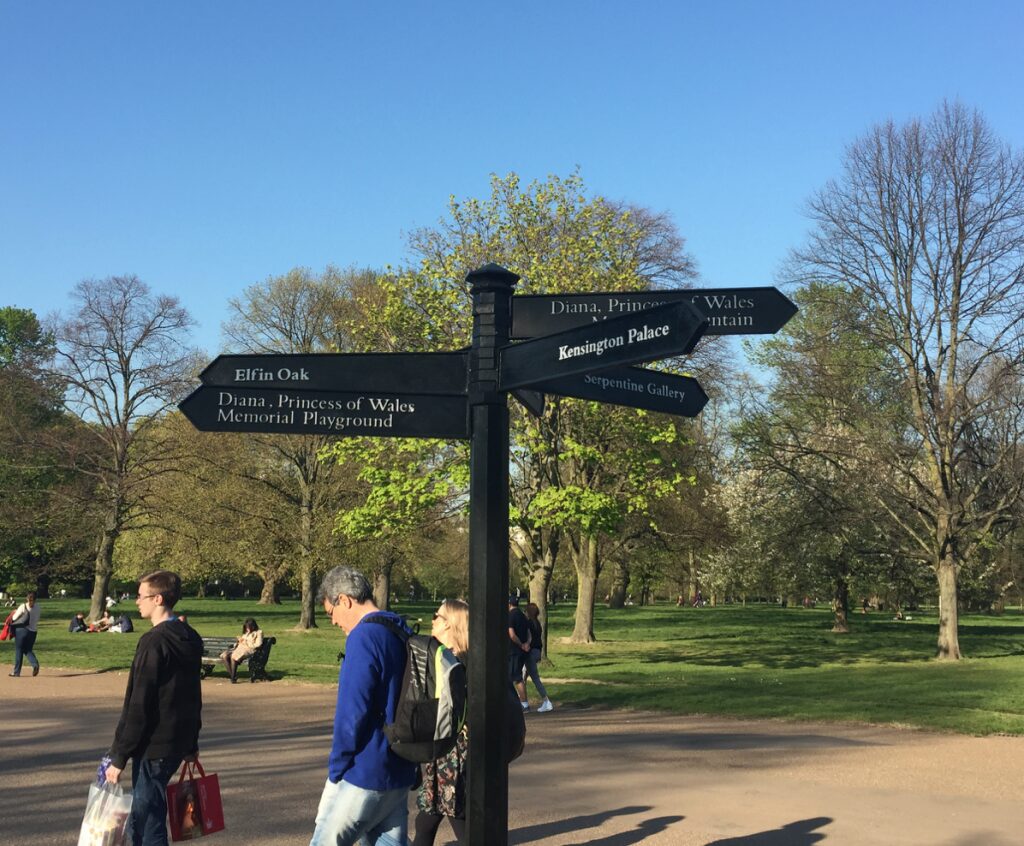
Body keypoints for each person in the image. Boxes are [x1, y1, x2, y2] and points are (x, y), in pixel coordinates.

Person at [309, 566, 417, 846]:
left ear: (344, 600)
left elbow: (352, 712)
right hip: (401, 766)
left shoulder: (362, 637)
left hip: (365, 771)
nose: (333, 622)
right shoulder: (400, 629)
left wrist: (336, 769)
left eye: (331, 613)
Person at [104, 570, 203, 846]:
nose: (137, 602)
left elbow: (139, 703)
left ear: (158, 599)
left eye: (141, 596)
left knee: (146, 821)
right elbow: (193, 695)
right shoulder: (190, 637)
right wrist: (191, 742)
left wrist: (119, 756)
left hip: (154, 745)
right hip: (176, 741)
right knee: (150, 813)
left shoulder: (153, 641)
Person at [412, 598, 470, 846]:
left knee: (459, 820)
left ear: (450, 624)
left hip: (455, 754)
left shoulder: (456, 663)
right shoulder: (443, 658)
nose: (432, 621)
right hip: (444, 752)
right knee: (427, 820)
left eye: (437, 616)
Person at [521, 603, 553, 713]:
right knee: (524, 676)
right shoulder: (537, 623)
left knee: (532, 677)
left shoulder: (529, 623)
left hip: (531, 652)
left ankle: (545, 701)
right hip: (537, 652)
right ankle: (523, 701)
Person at [220, 618, 263, 683]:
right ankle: (233, 676)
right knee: (224, 655)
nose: (247, 629)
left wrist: (246, 642)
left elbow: (258, 644)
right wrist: (239, 641)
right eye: (246, 627)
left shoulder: (259, 632)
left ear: (253, 626)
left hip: (249, 649)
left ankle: (233, 678)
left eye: (248, 627)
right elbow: (241, 641)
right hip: (239, 648)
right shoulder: (246, 632)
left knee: (233, 656)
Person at [8, 591, 41, 677]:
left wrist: (15, 611)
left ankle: (16, 672)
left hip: (22, 631)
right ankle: (35, 664)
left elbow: (14, 618)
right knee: (28, 650)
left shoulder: (23, 606)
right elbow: (37, 619)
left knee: (19, 650)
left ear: (27, 598)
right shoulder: (38, 607)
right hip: (33, 631)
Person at [507, 595, 531, 711]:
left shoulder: (510, 616)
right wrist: (527, 643)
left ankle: (524, 704)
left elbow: (511, 634)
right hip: (523, 651)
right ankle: (518, 702)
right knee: (515, 676)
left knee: (516, 678)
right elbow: (528, 633)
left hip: (514, 651)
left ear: (509, 604)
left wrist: (521, 644)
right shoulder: (523, 616)